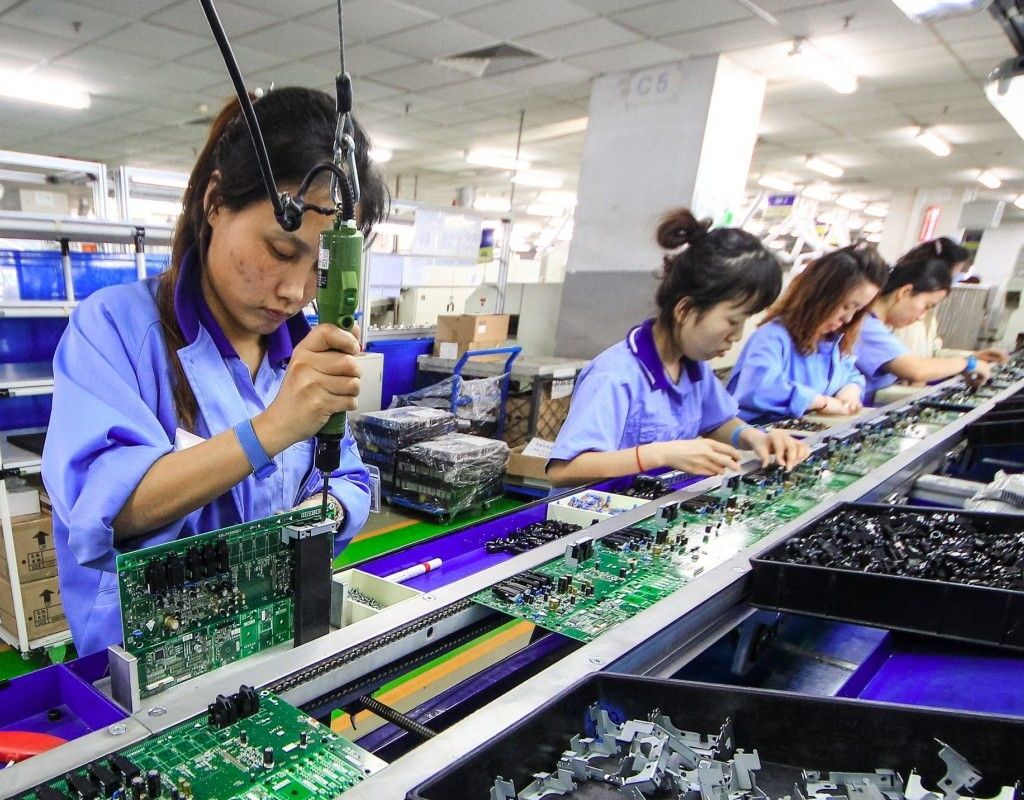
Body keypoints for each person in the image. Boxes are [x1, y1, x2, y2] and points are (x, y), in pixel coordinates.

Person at [42, 88, 389, 655]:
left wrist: (319, 514)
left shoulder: (303, 350)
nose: (295, 291)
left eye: (317, 268)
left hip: (278, 646)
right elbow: (103, 514)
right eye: (281, 250)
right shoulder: (115, 331)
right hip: (150, 670)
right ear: (214, 204)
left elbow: (345, 476)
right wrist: (272, 429)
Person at [546, 209, 809, 488]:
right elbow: (564, 469)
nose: (736, 336)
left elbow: (716, 422)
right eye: (733, 321)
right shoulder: (615, 375)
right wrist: (661, 454)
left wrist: (755, 438)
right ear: (685, 309)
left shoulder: (692, 369)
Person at [727, 244, 889, 424]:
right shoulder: (773, 337)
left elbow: (849, 372)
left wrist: (852, 388)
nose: (848, 318)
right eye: (845, 306)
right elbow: (758, 389)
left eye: (857, 309)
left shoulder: (830, 342)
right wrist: (821, 402)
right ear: (820, 295)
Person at [855, 256, 991, 403]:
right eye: (926, 306)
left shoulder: (881, 327)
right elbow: (917, 370)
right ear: (905, 292)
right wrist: (969, 363)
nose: (921, 317)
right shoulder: (867, 326)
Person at [892, 237, 1007, 363]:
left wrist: (974, 356)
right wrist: (966, 365)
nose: (951, 281)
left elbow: (932, 353)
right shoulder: (897, 312)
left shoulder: (926, 310)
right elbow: (906, 366)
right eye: (951, 275)